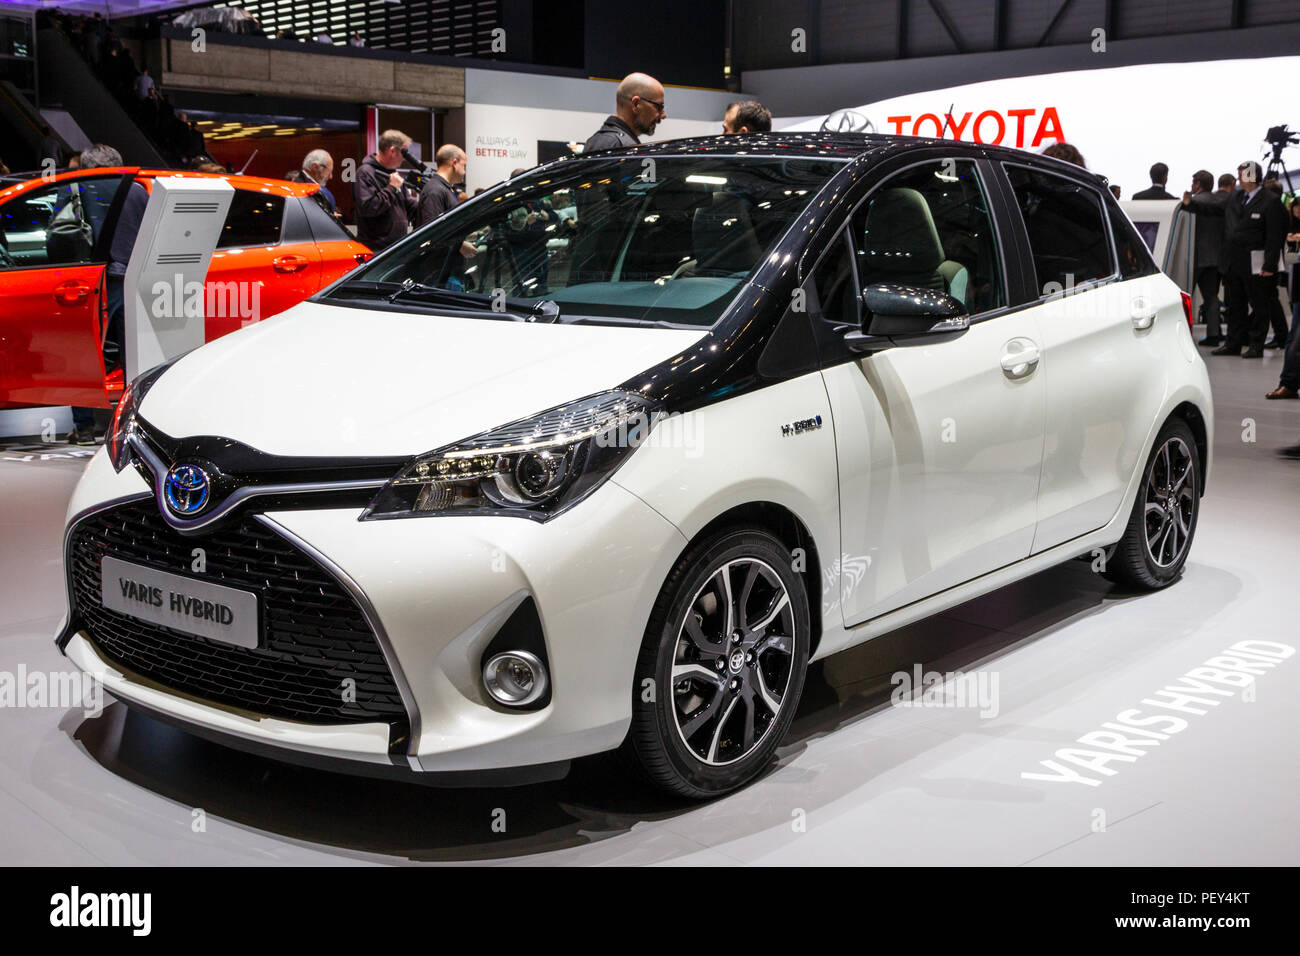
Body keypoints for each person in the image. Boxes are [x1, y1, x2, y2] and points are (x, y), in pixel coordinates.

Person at [68, 145, 148, 444]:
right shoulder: (139, 190)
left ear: (87, 165)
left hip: (92, 281)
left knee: (85, 353)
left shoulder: (76, 187)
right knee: (135, 355)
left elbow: (59, 232)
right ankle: (131, 420)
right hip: (133, 277)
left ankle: (85, 425)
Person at [1201, 162, 1287, 358]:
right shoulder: (1237, 197)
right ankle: (1233, 342)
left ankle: (1256, 344)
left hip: (1256, 260)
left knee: (1259, 304)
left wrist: (1270, 264)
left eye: (1243, 175)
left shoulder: (1271, 201)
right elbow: (1217, 211)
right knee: (1235, 304)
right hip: (1234, 261)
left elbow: (1275, 235)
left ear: (1253, 176)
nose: (1239, 178)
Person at [353, 129, 419, 251]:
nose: (404, 158)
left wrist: (427, 201)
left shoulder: (393, 173)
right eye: (403, 153)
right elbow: (368, 207)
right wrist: (392, 188)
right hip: (376, 250)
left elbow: (407, 205)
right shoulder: (365, 172)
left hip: (396, 247)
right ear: (392, 151)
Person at [1184, 169, 1228, 346]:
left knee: (1185, 297)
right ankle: (1214, 334)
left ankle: (1183, 334)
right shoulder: (1221, 202)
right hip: (1215, 258)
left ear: (1197, 184)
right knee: (1212, 298)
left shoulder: (1193, 203)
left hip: (1194, 258)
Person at [583, 72, 666, 152]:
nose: (663, 115)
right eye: (658, 107)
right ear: (636, 104)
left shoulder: (615, 143)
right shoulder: (609, 144)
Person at [415, 144, 466, 227]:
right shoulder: (435, 190)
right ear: (454, 163)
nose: (464, 172)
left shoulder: (444, 188)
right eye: (464, 166)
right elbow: (431, 231)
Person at [286, 149, 338, 216]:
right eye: (329, 172)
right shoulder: (311, 192)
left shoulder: (296, 184)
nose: (331, 176)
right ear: (315, 167)